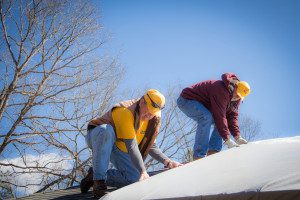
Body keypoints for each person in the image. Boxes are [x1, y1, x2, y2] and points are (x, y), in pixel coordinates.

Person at [81, 89, 183, 198]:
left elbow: (151, 145)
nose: (148, 116)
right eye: (147, 112)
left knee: (135, 178)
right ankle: (99, 183)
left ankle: (93, 176)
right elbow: (132, 145)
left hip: (120, 147)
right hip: (100, 136)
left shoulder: (154, 119)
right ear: (142, 102)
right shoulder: (125, 110)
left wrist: (168, 162)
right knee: (106, 130)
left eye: (152, 114)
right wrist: (143, 170)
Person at [177, 73, 250, 160]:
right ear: (234, 87)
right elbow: (220, 115)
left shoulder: (236, 99)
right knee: (206, 117)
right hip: (187, 100)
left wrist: (237, 136)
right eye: (237, 94)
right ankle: (199, 155)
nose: (237, 97)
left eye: (239, 97)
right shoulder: (221, 89)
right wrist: (227, 139)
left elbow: (232, 116)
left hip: (203, 106)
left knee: (221, 121)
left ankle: (213, 151)